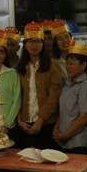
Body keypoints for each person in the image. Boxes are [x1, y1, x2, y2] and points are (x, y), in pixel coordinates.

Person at [13, 22, 62, 150]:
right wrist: (19, 120)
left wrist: (40, 120)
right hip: (25, 123)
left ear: (43, 44)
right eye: (30, 41)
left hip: (47, 123)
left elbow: (54, 96)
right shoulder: (20, 68)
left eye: (38, 42)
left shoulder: (52, 66)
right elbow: (17, 96)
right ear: (25, 45)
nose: (34, 45)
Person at [52, 38, 87, 155]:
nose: (68, 67)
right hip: (64, 142)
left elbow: (84, 118)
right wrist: (57, 129)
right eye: (67, 64)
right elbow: (63, 111)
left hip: (80, 143)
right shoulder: (68, 84)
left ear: (83, 65)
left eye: (72, 64)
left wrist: (65, 135)